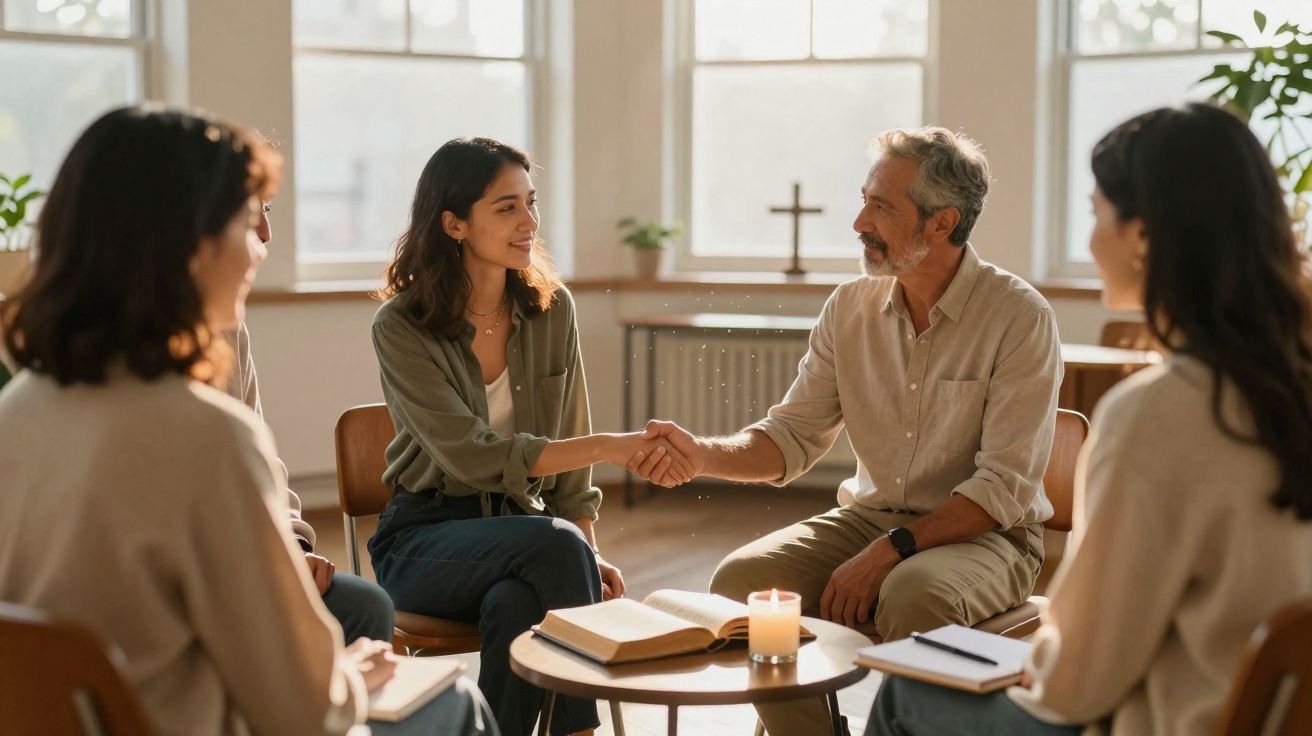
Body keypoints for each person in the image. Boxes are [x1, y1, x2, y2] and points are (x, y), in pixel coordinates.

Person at [0, 106, 494, 735]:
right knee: (456, 704)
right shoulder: (206, 437)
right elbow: (301, 711)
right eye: (245, 221)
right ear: (186, 244)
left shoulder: (16, 410)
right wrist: (348, 679)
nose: (259, 247)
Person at [866, 103, 1312, 735]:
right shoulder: (1292, 380)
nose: (1090, 241)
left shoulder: (1159, 412)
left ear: (1145, 235)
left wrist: (1026, 662)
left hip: (1171, 722)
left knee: (905, 693)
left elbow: (1077, 685)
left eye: (1096, 214)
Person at [634, 126, 1063, 735]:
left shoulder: (1019, 317)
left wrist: (889, 553)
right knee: (742, 583)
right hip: (870, 518)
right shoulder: (848, 306)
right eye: (865, 199)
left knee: (915, 595)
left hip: (989, 536)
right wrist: (698, 454)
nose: (859, 221)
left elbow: (1001, 489)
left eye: (882, 207)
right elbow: (791, 436)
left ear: (941, 224)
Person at [368, 136, 692, 736]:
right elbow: (468, 457)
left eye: (531, 202)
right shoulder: (401, 326)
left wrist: (589, 551)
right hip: (424, 539)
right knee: (556, 549)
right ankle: (582, 733)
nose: (530, 222)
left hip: (523, 531)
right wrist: (605, 447)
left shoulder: (551, 310)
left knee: (518, 602)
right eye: (507, 207)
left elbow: (567, 457)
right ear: (454, 223)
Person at [227, 200, 395, 644]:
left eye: (267, 209)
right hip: (206, 578)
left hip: (247, 559)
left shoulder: (228, 327)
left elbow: (262, 466)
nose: (266, 233)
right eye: (249, 213)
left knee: (366, 606)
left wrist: (294, 546)